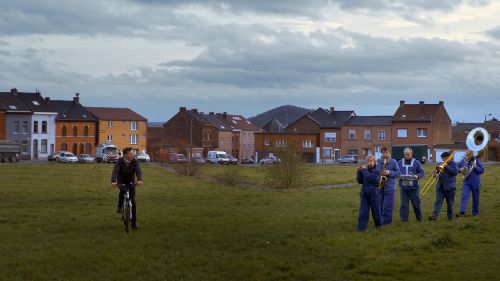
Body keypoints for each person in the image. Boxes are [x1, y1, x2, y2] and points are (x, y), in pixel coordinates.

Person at [111, 147, 143, 229]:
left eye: (133, 153)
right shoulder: (120, 161)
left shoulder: (134, 161)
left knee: (133, 202)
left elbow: (138, 171)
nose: (133, 155)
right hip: (121, 181)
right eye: (131, 153)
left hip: (131, 181)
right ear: (125, 154)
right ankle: (120, 206)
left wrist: (139, 180)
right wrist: (114, 181)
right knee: (122, 192)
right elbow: (115, 171)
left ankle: (134, 223)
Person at [397, 147, 425, 222]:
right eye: (406, 154)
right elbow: (396, 172)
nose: (407, 156)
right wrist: (397, 175)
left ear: (411, 154)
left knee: (416, 204)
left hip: (414, 188)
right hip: (403, 187)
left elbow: (422, 173)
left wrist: (417, 176)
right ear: (404, 154)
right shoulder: (399, 162)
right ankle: (404, 219)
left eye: (408, 154)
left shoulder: (416, 162)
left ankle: (419, 218)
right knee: (404, 204)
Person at [429, 151, 458, 221]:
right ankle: (434, 216)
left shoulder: (453, 163)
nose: (442, 160)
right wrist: (434, 175)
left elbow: (455, 172)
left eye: (443, 158)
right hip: (440, 186)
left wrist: (446, 166)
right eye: (442, 158)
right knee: (438, 202)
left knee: (450, 204)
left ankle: (450, 217)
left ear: (447, 157)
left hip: (450, 187)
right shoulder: (440, 164)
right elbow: (437, 174)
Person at [356, 155, 382, 232]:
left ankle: (379, 225)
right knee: (363, 210)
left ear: (374, 162)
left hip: (374, 192)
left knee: (376, 210)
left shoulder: (377, 170)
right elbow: (359, 181)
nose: (369, 162)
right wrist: (359, 172)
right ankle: (361, 228)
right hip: (364, 192)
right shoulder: (365, 170)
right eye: (368, 161)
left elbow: (369, 178)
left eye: (371, 161)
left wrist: (363, 170)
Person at [377, 147, 401, 226]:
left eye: (386, 153)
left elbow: (398, 173)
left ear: (389, 153)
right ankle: (381, 221)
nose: (385, 154)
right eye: (383, 153)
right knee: (380, 205)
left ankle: (387, 222)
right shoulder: (378, 161)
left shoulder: (393, 161)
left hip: (390, 187)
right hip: (380, 187)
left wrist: (389, 172)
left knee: (388, 206)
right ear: (381, 153)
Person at [457, 149, 485, 217]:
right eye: (467, 154)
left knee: (476, 198)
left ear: (472, 154)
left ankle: (475, 213)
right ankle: (462, 212)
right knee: (464, 196)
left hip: (475, 182)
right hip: (466, 182)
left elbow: (482, 170)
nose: (467, 155)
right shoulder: (462, 161)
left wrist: (476, 167)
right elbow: (457, 169)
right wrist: (460, 170)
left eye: (469, 154)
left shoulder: (476, 161)